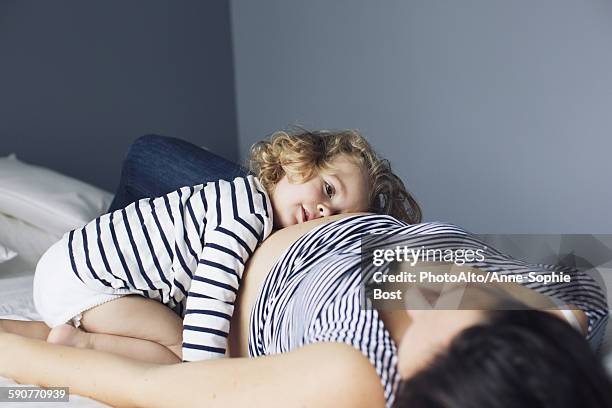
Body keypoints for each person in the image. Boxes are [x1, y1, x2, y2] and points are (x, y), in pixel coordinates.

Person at [1, 135, 610, 408]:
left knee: (149, 158)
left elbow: (150, 389)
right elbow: (584, 273)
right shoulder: (560, 318)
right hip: (298, 217)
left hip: (229, 257)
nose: (436, 317)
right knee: (152, 154)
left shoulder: (359, 376)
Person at [32, 129, 422, 365]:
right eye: (328, 189)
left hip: (72, 266)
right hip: (88, 282)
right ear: (294, 162)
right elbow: (209, 293)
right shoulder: (247, 215)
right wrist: (204, 369)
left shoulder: (236, 195)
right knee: (179, 344)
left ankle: (77, 337)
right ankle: (82, 342)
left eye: (337, 214)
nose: (323, 210)